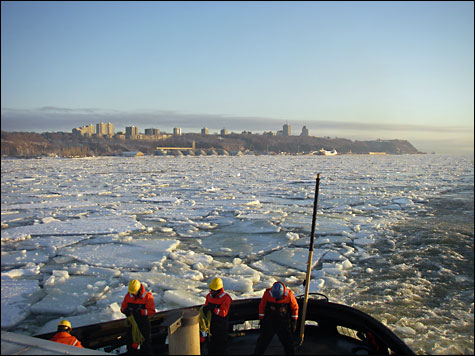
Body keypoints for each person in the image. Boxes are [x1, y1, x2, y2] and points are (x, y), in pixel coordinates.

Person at [254, 281, 299, 356]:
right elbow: (262, 306)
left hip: (283, 322)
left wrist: (294, 321)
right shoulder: (267, 294)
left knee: (288, 342)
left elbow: (295, 308)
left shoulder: (289, 295)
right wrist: (261, 319)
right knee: (263, 341)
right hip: (270, 321)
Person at [121, 279, 156, 354]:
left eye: (134, 293)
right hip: (132, 323)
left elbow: (151, 311)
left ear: (139, 290)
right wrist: (125, 310)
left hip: (143, 323)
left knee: (145, 343)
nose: (133, 294)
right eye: (132, 293)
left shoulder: (147, 297)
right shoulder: (128, 296)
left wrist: (141, 312)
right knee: (130, 341)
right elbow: (123, 307)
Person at [202, 277, 232, 355]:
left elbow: (223, 312)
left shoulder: (226, 298)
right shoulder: (209, 296)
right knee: (211, 344)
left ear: (218, 290)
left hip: (221, 326)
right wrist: (205, 309)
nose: (211, 292)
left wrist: (214, 309)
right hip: (211, 325)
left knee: (221, 346)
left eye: (213, 290)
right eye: (210, 290)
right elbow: (206, 304)